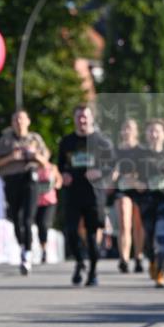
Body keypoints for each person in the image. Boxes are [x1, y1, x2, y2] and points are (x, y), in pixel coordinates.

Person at [57, 105, 114, 287]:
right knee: (71, 231)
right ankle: (80, 261)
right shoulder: (67, 142)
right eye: (79, 117)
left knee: (91, 235)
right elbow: (60, 165)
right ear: (74, 119)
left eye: (85, 117)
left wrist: (100, 172)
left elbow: (111, 165)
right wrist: (64, 175)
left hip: (94, 194)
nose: (82, 120)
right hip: (73, 193)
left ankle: (93, 272)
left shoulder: (102, 142)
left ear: (91, 118)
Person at [0, 109, 50, 274]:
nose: (19, 122)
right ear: (12, 123)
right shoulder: (5, 140)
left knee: (28, 218)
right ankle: (23, 245)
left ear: (28, 121)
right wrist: (12, 157)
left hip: (30, 179)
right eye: (16, 119)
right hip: (12, 180)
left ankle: (28, 253)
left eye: (22, 119)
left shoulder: (35, 139)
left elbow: (45, 161)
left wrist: (34, 155)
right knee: (16, 218)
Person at [136, 119, 164, 288]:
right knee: (149, 238)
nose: (154, 134)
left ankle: (161, 273)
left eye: (157, 131)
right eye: (151, 131)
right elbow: (130, 177)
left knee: (162, 238)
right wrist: (137, 184)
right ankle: (152, 261)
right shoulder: (140, 156)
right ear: (146, 135)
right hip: (147, 202)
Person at [110, 118, 145, 274]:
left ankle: (138, 256)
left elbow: (147, 170)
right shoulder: (115, 151)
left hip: (138, 190)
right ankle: (124, 258)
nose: (126, 131)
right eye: (124, 128)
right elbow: (112, 171)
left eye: (129, 128)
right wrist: (113, 176)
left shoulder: (142, 151)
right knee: (124, 222)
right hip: (122, 189)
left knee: (138, 224)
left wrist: (136, 178)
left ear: (136, 131)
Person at [35, 161, 61, 263]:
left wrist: (55, 184)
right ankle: (42, 248)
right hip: (36, 202)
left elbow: (59, 181)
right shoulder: (33, 167)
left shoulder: (52, 167)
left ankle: (44, 249)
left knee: (44, 223)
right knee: (39, 225)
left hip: (49, 201)